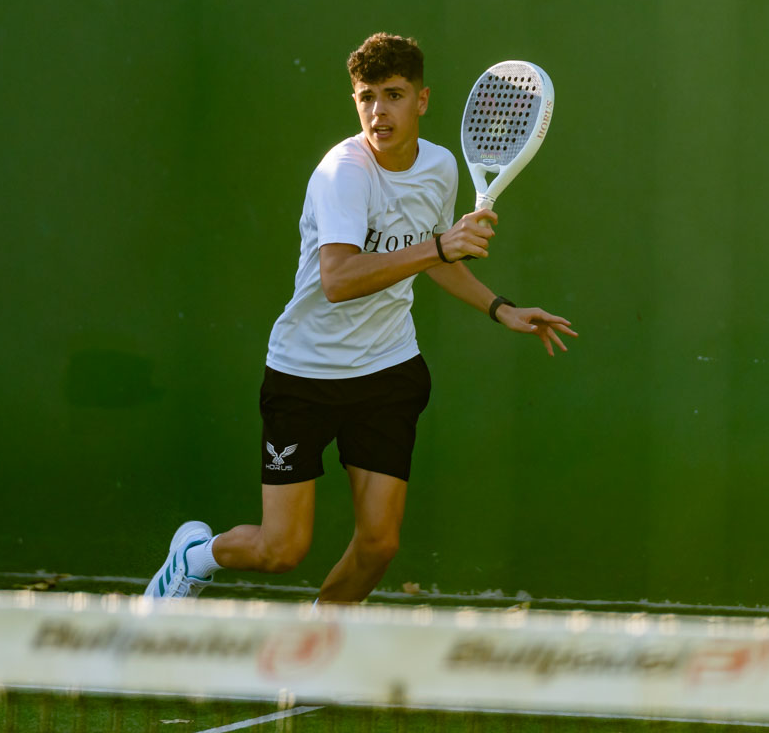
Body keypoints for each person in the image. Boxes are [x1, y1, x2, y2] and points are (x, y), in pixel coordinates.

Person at [144, 33, 577, 603]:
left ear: (422, 100)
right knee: (281, 550)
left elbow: (433, 258)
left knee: (379, 545)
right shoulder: (341, 173)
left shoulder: (441, 167)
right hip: (305, 373)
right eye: (366, 97)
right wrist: (440, 246)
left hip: (387, 371)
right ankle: (195, 556)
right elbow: (340, 280)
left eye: (393, 95)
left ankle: (313, 645)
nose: (378, 111)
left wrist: (501, 309)